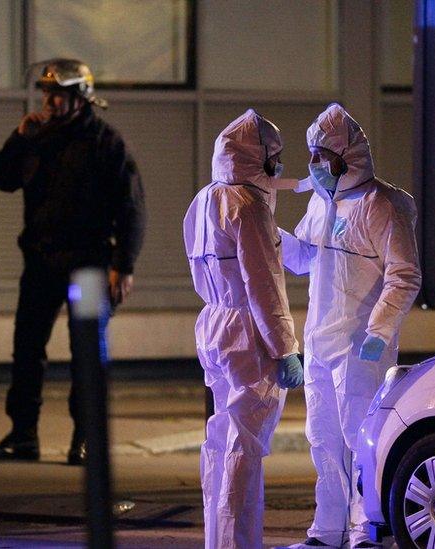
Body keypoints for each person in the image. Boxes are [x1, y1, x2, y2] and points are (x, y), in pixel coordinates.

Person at [0, 58, 145, 466]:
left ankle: (86, 439)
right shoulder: (37, 138)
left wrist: (123, 265)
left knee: (87, 351)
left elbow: (131, 207)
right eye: (46, 93)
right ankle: (23, 436)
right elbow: (1, 178)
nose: (49, 101)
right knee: (27, 349)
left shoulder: (107, 143)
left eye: (58, 94)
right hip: (40, 262)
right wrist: (18, 138)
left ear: (81, 98)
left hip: (89, 266)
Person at [279, 104, 421, 549]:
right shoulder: (322, 205)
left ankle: (366, 528)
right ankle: (327, 529)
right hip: (322, 342)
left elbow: (404, 274)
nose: (315, 165)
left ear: (347, 156)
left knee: (362, 440)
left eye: (323, 156)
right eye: (312, 156)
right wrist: (270, 234)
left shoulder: (379, 206)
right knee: (323, 441)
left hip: (361, 347)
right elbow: (303, 259)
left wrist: (380, 333)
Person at [183, 109, 304, 549]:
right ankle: (237, 544)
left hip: (213, 323)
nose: (280, 168)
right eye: (276, 158)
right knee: (244, 447)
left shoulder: (205, 200)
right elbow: (263, 283)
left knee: (221, 440)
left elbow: (265, 254)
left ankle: (220, 541)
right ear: (261, 158)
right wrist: (285, 346)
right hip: (248, 332)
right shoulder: (249, 207)